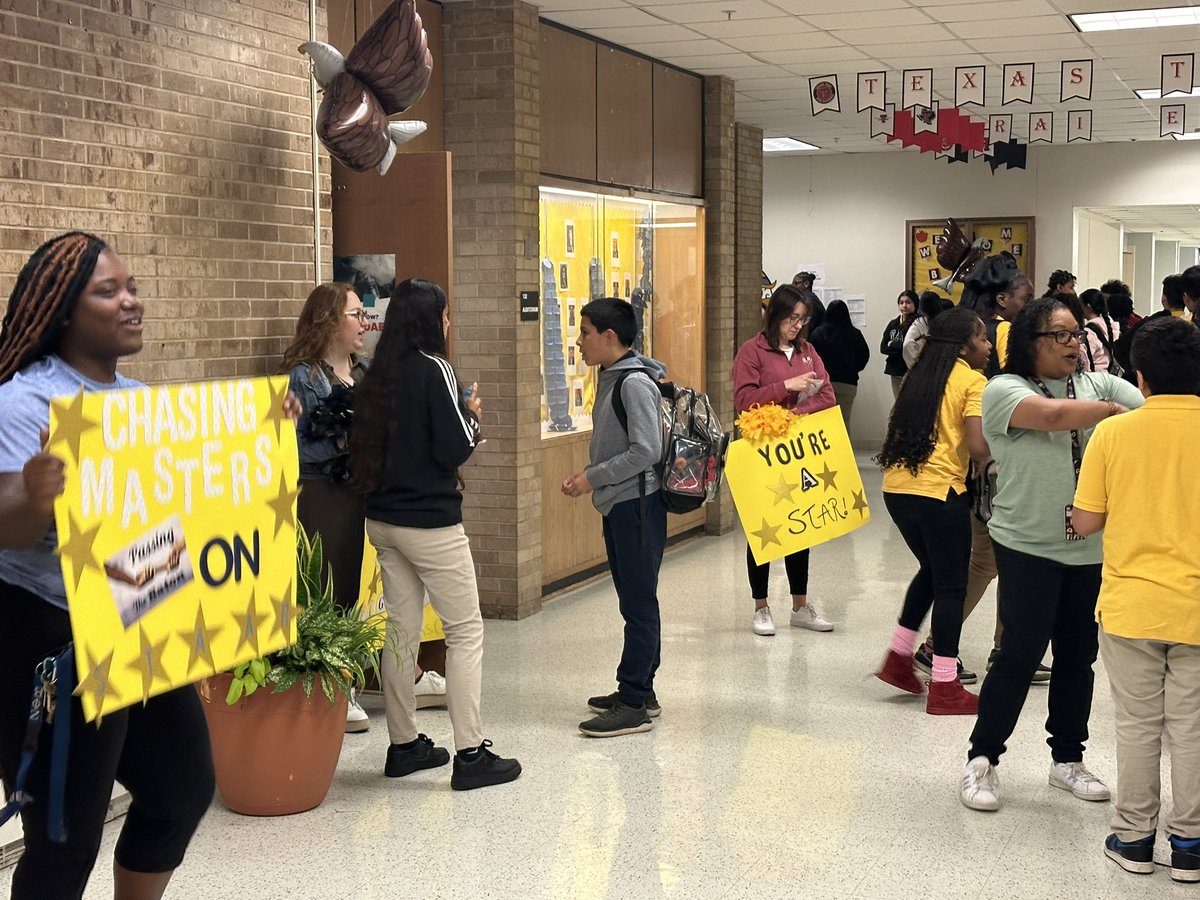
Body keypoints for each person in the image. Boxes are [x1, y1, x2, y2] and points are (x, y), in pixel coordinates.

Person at [0, 232, 214, 899]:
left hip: (133, 627)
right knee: (63, 838)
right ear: (63, 309)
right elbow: (6, 525)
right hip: (48, 639)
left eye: (133, 288)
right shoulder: (23, 403)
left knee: (181, 789)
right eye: (108, 291)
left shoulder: (138, 400)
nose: (131, 302)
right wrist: (33, 495)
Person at [959, 296, 1145, 813]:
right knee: (1018, 654)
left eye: (1076, 335)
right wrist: (1111, 414)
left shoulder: (1098, 383)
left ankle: (1067, 760)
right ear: (1030, 343)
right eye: (1059, 335)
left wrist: (1116, 408)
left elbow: (1150, 412)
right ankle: (982, 759)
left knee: (1078, 657)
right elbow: (1054, 415)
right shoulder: (1003, 389)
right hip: (1027, 545)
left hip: (1090, 549)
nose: (1072, 344)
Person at [349, 278, 520, 789]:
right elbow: (455, 447)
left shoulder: (376, 373)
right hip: (430, 523)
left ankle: (403, 745)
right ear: (431, 319)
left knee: (400, 628)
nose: (449, 324)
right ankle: (471, 754)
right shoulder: (436, 368)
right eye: (446, 316)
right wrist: (471, 416)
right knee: (465, 630)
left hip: (381, 519)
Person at [1071, 317, 1200, 881]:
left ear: (1141, 379)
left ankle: (1134, 838)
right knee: (1193, 727)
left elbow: (1088, 520)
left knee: (1138, 724)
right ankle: (1192, 847)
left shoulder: (1113, 434)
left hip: (1131, 606)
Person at [914, 255, 1038, 686]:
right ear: (1003, 299)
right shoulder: (1003, 334)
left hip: (976, 471)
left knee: (1000, 557)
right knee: (988, 560)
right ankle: (940, 647)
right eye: (1026, 297)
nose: (1031, 303)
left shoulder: (960, 346)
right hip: (992, 467)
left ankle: (1005, 648)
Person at [873, 307, 991, 715]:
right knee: (952, 586)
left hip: (897, 491)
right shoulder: (973, 381)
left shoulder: (919, 374)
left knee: (932, 572)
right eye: (982, 338)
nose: (989, 345)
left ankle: (898, 659)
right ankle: (945, 685)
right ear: (964, 345)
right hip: (941, 494)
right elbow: (977, 446)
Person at [563, 297, 668, 738]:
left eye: (585, 332)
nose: (580, 341)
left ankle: (632, 702)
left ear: (609, 337)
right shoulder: (614, 377)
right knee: (634, 599)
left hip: (637, 506)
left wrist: (592, 478)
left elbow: (647, 450)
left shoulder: (633, 384)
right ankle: (641, 688)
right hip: (621, 503)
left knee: (639, 603)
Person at [281, 282, 374, 732]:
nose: (364, 322)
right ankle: (328, 685)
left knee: (352, 587)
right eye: (356, 313)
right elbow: (297, 449)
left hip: (359, 493)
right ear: (329, 321)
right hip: (320, 493)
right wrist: (349, 442)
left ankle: (347, 678)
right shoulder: (305, 376)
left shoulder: (365, 372)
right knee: (322, 586)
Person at [733, 285, 837, 637]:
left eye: (802, 319)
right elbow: (744, 400)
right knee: (762, 529)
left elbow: (827, 394)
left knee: (800, 526)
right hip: (764, 454)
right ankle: (761, 606)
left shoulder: (808, 351)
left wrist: (798, 413)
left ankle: (799, 605)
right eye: (791, 318)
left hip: (799, 452)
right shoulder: (752, 351)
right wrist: (787, 387)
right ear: (775, 315)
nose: (797, 326)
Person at [809, 299, 870, 442]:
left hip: (821, 383)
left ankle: (824, 458)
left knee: (822, 423)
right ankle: (843, 459)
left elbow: (809, 358)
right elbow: (864, 356)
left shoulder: (817, 333)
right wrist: (854, 369)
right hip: (847, 383)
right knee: (843, 422)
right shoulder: (854, 333)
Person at [881, 290, 918, 399]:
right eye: (901, 303)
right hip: (895, 369)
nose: (904, 306)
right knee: (897, 403)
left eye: (908, 302)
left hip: (910, 370)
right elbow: (883, 348)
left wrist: (893, 344)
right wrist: (899, 347)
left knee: (910, 403)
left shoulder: (918, 323)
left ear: (915, 304)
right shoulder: (893, 323)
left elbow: (911, 346)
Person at [1078, 288, 1121, 375]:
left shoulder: (1089, 332)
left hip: (1094, 377)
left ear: (1088, 306)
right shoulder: (1110, 324)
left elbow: (1084, 358)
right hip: (1109, 375)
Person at [901, 290, 948, 368]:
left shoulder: (919, 323)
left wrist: (915, 366)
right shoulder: (946, 321)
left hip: (925, 366)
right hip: (943, 366)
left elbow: (907, 345)